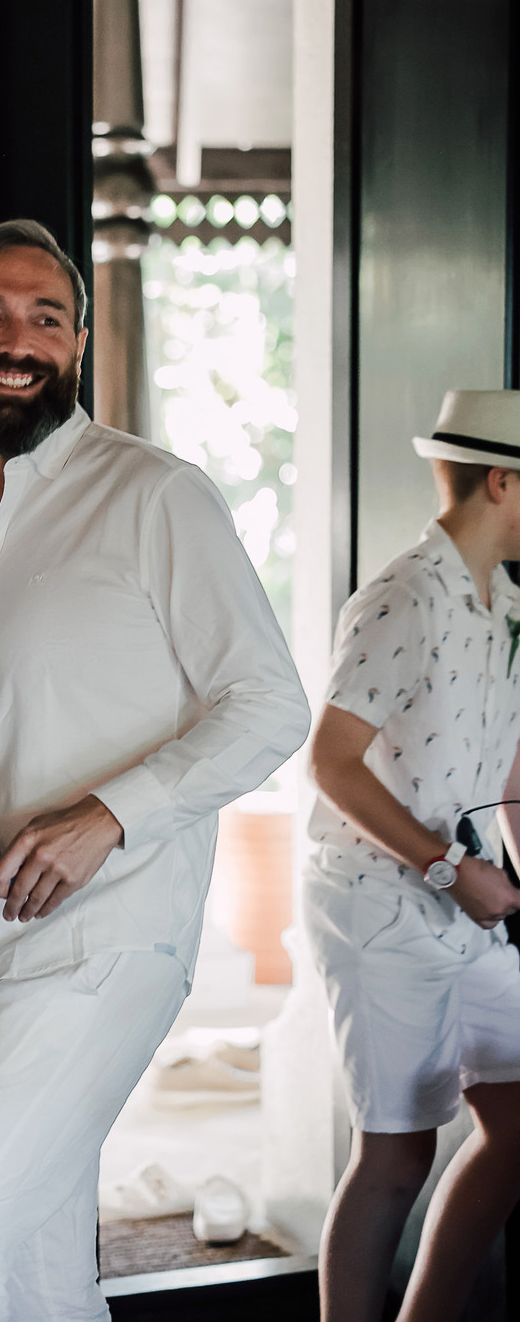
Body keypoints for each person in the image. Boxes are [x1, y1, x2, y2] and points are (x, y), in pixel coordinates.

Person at [0, 218, 309, 1321]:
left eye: (47, 318)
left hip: (108, 941)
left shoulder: (155, 496)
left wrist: (104, 818)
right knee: (32, 1270)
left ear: (76, 345)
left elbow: (267, 705)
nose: (19, 339)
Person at [304, 390, 520, 1322]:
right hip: (380, 909)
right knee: (395, 1156)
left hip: (470, 909)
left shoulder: (504, 600)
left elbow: (507, 771)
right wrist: (448, 869)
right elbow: (330, 763)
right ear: (502, 480)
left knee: (519, 1122)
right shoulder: (401, 595)